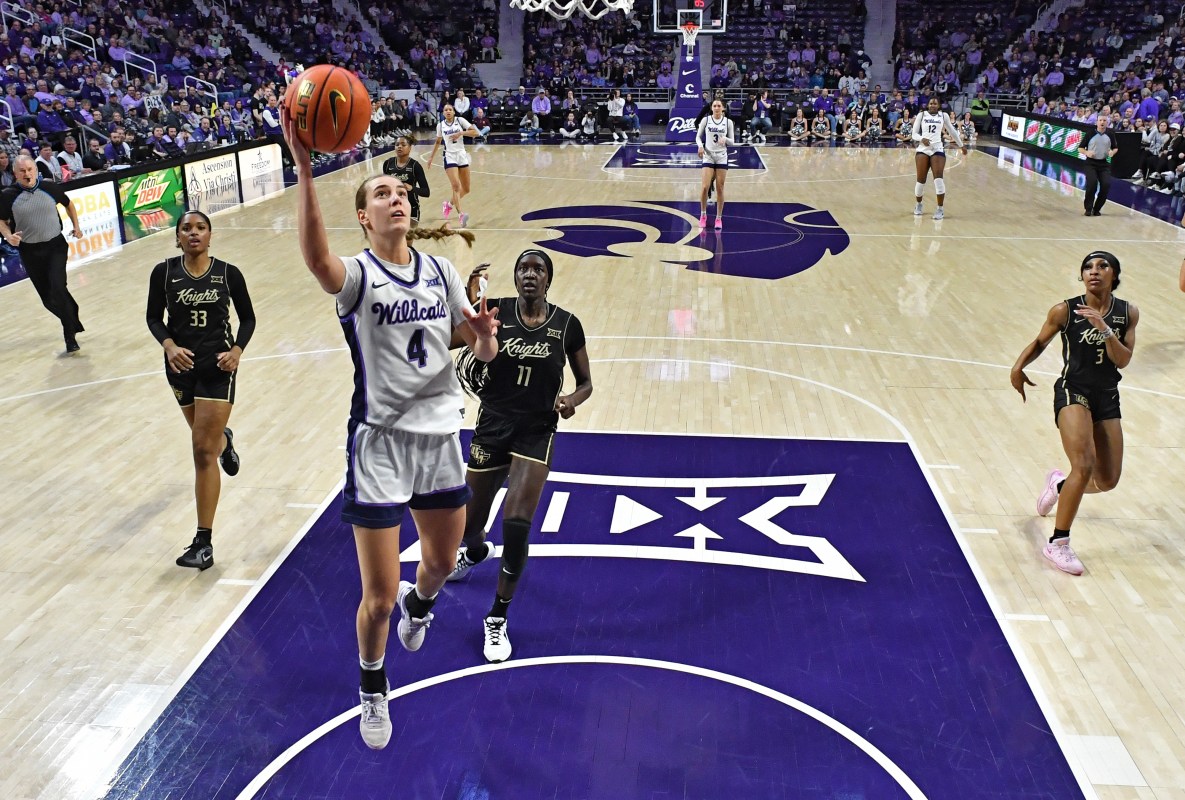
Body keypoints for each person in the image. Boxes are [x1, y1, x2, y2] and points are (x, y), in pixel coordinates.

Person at [280, 105, 500, 751]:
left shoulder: (440, 272)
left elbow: (477, 351)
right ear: (364, 215)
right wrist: (303, 166)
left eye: (401, 191)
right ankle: (372, 688)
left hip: (439, 439)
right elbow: (316, 258)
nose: (396, 197)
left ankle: (422, 606)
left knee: (436, 566)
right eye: (382, 193)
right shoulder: (357, 277)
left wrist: (483, 338)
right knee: (376, 598)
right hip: (378, 444)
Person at [449, 251, 593, 662]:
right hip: (492, 425)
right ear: (514, 278)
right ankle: (474, 552)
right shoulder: (495, 311)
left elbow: (586, 383)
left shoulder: (567, 325)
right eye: (523, 268)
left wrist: (571, 400)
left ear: (548, 279)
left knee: (516, 524)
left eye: (538, 269)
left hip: (536, 430)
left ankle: (497, 617)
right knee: (469, 529)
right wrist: (463, 309)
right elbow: (447, 339)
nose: (530, 274)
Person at [1010, 251, 1138, 576]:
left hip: (1107, 396)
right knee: (1084, 464)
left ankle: (1059, 487)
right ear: (1082, 275)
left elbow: (1122, 360)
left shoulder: (1127, 313)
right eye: (1088, 267)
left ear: (1114, 274)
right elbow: (1040, 341)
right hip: (1072, 390)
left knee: (1108, 480)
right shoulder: (1064, 309)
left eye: (1102, 266)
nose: (1094, 271)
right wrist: (1018, 366)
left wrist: (1105, 328)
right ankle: (1058, 543)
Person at [145, 211, 255, 571]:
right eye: (186, 229)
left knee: (201, 451)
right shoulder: (163, 273)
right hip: (180, 368)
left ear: (210, 235)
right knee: (206, 442)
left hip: (217, 367)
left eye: (200, 228)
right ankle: (225, 439)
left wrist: (236, 351)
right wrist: (169, 345)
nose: (194, 234)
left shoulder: (228, 273)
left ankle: (203, 541)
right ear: (177, 237)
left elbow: (248, 317)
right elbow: (153, 317)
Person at [0, 155, 84, 352]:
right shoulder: (7, 195)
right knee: (48, 298)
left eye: (30, 169)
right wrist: (8, 236)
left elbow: (68, 204)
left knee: (57, 286)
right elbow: (1, 220)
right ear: (15, 173)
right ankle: (72, 316)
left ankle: (69, 334)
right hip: (29, 251)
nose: (27, 174)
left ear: (36, 170)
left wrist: (76, 226)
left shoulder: (49, 187)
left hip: (55, 246)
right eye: (22, 171)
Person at [911, 97, 967, 220]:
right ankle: (918, 204)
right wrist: (922, 139)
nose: (932, 105)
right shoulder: (922, 115)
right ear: (928, 105)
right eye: (931, 103)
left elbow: (952, 131)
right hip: (923, 149)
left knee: (938, 178)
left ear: (939, 105)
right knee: (921, 180)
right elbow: (914, 134)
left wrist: (961, 145)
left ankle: (940, 209)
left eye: (935, 103)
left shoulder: (944, 115)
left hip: (937, 149)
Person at [425, 103, 478, 227]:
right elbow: (438, 141)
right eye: (445, 110)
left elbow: (475, 132)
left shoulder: (460, 120)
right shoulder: (440, 125)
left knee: (466, 189)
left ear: (454, 112)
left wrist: (461, 133)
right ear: (443, 113)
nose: (448, 111)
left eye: (450, 109)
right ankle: (461, 215)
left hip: (462, 155)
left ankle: (448, 204)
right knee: (456, 186)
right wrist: (431, 157)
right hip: (449, 156)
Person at [696, 99, 736, 231]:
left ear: (723, 108)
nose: (717, 108)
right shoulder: (706, 120)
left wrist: (726, 140)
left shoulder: (728, 122)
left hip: (721, 156)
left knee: (720, 188)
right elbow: (698, 136)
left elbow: (733, 142)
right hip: (708, 155)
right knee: (704, 187)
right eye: (714, 106)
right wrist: (700, 146)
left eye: (719, 106)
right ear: (711, 108)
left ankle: (718, 218)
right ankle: (703, 215)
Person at [382, 134, 430, 225]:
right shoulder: (388, 164)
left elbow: (426, 192)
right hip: (393, 207)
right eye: (397, 145)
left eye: (403, 145)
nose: (399, 147)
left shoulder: (415, 166)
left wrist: (412, 188)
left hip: (411, 207)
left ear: (410, 148)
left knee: (408, 238)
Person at [1077, 116, 1119, 216]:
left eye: (1104, 120)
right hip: (1091, 163)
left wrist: (1112, 152)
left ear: (1107, 123)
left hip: (1104, 164)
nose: (1102, 122)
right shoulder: (1090, 133)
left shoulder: (1110, 134)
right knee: (1092, 184)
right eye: (1100, 120)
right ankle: (1088, 208)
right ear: (1097, 122)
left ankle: (1097, 209)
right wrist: (1087, 152)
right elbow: (1080, 148)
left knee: (1106, 185)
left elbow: (1115, 148)